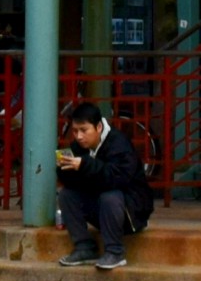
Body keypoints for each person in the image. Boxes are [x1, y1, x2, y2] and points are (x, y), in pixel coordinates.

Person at [51, 98, 148, 270]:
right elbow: (75, 183)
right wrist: (65, 169)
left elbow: (117, 179)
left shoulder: (119, 143)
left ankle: (115, 252)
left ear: (98, 127)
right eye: (75, 131)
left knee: (109, 196)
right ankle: (84, 247)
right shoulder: (78, 146)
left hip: (130, 213)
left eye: (84, 130)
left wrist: (84, 165)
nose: (79, 136)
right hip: (101, 210)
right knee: (67, 195)